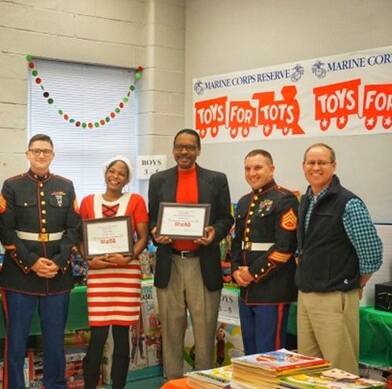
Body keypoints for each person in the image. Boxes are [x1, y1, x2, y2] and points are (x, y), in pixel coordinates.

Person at [0, 134, 81, 389]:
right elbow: (6, 230)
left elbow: (74, 229)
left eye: (46, 151)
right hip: (20, 275)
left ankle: (55, 384)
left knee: (55, 340)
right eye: (36, 151)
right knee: (16, 340)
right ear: (28, 154)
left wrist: (58, 262)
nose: (41, 155)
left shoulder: (65, 186)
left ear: (53, 155)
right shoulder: (12, 185)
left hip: (57, 275)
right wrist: (32, 262)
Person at [148, 128, 233, 378]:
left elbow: (225, 219)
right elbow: (153, 216)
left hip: (202, 264)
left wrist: (213, 232)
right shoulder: (158, 180)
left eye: (189, 147)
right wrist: (156, 231)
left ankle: (204, 381)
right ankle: (172, 381)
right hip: (170, 262)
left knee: (205, 331)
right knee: (171, 331)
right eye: (179, 146)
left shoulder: (216, 179)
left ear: (198, 150)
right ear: (173, 149)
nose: (184, 151)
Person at [296, 143, 382, 374]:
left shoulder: (349, 203)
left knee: (339, 370)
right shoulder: (306, 200)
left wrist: (358, 284)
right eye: (311, 163)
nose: (316, 167)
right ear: (303, 166)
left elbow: (372, 253)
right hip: (306, 294)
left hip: (334, 297)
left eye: (322, 162)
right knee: (306, 370)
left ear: (333, 166)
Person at [79, 156, 149, 389]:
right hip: (99, 275)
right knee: (97, 337)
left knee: (122, 338)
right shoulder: (88, 202)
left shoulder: (136, 200)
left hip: (126, 274)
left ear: (128, 179)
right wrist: (89, 260)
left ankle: (118, 385)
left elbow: (143, 237)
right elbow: (80, 238)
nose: (115, 176)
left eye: (121, 173)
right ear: (105, 172)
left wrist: (128, 258)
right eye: (112, 171)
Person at [230, 149, 299, 355]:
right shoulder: (243, 201)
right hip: (246, 290)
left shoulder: (285, 199)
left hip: (272, 290)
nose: (252, 173)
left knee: (269, 356)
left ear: (272, 169)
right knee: (250, 354)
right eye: (247, 169)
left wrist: (252, 273)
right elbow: (237, 242)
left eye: (258, 168)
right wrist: (235, 270)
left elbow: (284, 249)